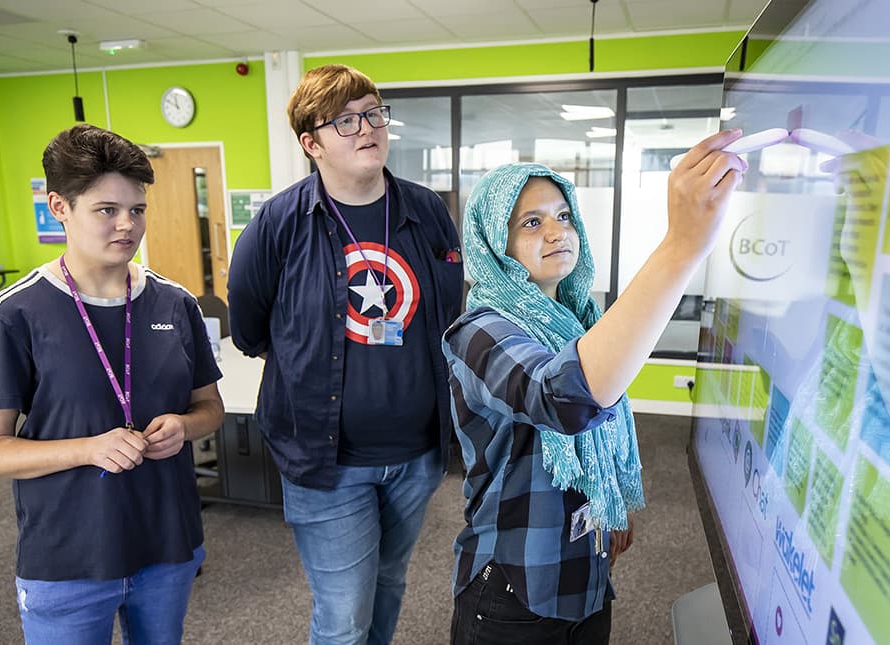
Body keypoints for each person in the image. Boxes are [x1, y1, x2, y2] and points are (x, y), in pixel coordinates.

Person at [443, 129, 747, 644]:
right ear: (496, 241)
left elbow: (599, 416)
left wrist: (608, 501)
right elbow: (562, 399)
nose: (557, 231)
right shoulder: (478, 330)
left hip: (584, 574)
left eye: (564, 216)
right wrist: (681, 246)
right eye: (531, 223)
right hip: (515, 586)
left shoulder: (577, 318)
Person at [227, 64, 464, 645]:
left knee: (388, 584)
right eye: (345, 120)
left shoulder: (427, 211)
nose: (367, 128)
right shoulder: (278, 223)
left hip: (416, 455)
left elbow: (447, 312)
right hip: (326, 460)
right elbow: (251, 329)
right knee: (343, 615)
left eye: (374, 113)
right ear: (312, 144)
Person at [0, 124, 225, 644]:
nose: (127, 224)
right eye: (107, 210)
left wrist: (184, 427)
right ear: (60, 206)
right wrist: (88, 449)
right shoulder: (14, 313)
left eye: (137, 210)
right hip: (68, 556)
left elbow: (209, 408)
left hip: (166, 543)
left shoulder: (175, 304)